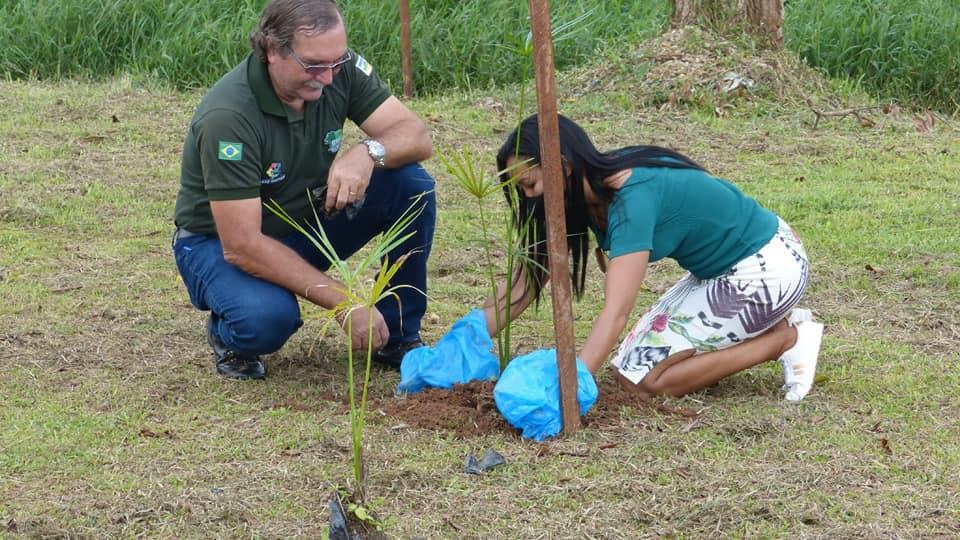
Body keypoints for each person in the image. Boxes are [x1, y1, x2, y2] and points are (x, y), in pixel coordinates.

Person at [172, 0, 435, 380]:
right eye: (313, 65)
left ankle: (396, 335)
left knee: (410, 184)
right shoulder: (229, 116)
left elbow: (416, 135)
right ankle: (230, 334)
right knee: (266, 320)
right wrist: (345, 302)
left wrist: (367, 152)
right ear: (271, 50)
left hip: (305, 220)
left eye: (337, 62)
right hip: (219, 243)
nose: (328, 77)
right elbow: (241, 245)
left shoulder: (334, 66)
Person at [482, 113, 823, 401]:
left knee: (643, 382)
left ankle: (786, 339)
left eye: (530, 184)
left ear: (562, 166)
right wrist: (470, 334)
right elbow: (529, 280)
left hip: (765, 267)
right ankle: (765, 327)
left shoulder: (629, 198)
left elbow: (616, 311)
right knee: (626, 368)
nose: (528, 198)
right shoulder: (586, 195)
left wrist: (571, 387)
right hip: (723, 270)